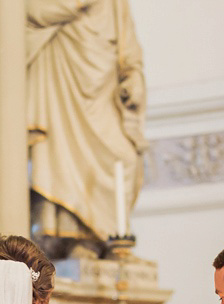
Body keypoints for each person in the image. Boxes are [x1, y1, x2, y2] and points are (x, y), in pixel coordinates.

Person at [27, 0, 148, 259]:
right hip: (59, 77)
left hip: (101, 88)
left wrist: (134, 75)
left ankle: (100, 237)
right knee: (56, 153)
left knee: (123, 157)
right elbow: (30, 11)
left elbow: (129, 46)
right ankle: (63, 239)